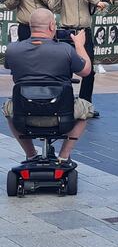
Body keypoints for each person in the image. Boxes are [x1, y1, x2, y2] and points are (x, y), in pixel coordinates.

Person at [3, 9, 94, 166]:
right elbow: (86, 71)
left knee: (8, 108)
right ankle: (64, 156)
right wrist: (79, 45)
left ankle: (31, 155)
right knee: (87, 108)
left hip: (24, 115)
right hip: (61, 114)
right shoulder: (65, 50)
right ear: (52, 26)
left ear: (30, 26)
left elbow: (10, 67)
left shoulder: (13, 50)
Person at [48, 0, 109, 113]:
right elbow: (52, 7)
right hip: (67, 32)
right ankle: (64, 104)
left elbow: (97, 2)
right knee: (64, 70)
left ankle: (85, 105)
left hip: (84, 31)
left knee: (89, 71)